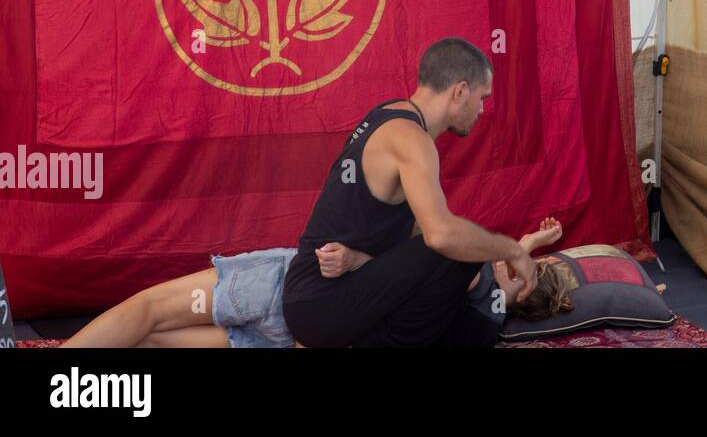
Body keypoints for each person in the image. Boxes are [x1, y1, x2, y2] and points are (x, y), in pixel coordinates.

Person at [281, 37, 537, 348]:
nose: (483, 110)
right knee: (457, 253)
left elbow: (407, 234)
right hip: (321, 305)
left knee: (457, 253)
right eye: (482, 97)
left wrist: (362, 260)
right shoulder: (412, 139)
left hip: (328, 296)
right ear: (460, 91)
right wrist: (511, 250)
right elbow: (440, 236)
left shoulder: (388, 113)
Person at [60, 217, 569, 348]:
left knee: (147, 310)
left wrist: (515, 249)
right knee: (149, 340)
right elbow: (496, 285)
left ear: (522, 286)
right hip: (308, 338)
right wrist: (527, 245)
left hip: (291, 290)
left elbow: (448, 248)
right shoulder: (483, 326)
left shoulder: (467, 269)